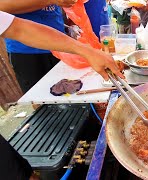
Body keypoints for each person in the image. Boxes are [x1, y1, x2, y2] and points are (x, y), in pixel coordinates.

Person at [0, 10, 123, 179]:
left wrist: (88, 51)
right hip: (27, 53)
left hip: (52, 44)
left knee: (22, 171)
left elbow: (19, 27)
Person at [0, 0, 74, 93]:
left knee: (71, 92)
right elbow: (2, 5)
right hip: (27, 51)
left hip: (61, 44)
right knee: (39, 96)